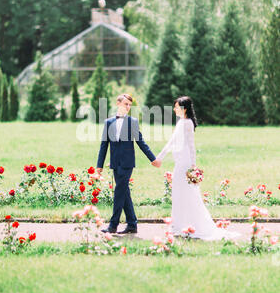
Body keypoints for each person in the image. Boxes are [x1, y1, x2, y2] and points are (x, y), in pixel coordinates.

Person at [156, 96, 240, 240]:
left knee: (187, 194)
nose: (175, 109)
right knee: (179, 194)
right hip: (180, 162)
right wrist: (160, 157)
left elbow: (191, 145)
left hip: (185, 164)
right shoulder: (181, 123)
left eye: (177, 107)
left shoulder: (187, 123)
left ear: (185, 108)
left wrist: (193, 165)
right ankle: (180, 224)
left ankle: (189, 225)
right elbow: (172, 142)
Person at [96, 93, 161, 234]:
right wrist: (99, 166)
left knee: (119, 191)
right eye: (126, 104)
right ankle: (132, 224)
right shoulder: (108, 122)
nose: (128, 107)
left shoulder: (133, 122)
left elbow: (140, 142)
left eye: (130, 105)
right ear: (118, 103)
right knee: (124, 192)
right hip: (115, 163)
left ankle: (113, 225)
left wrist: (153, 159)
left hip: (127, 163)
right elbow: (104, 145)